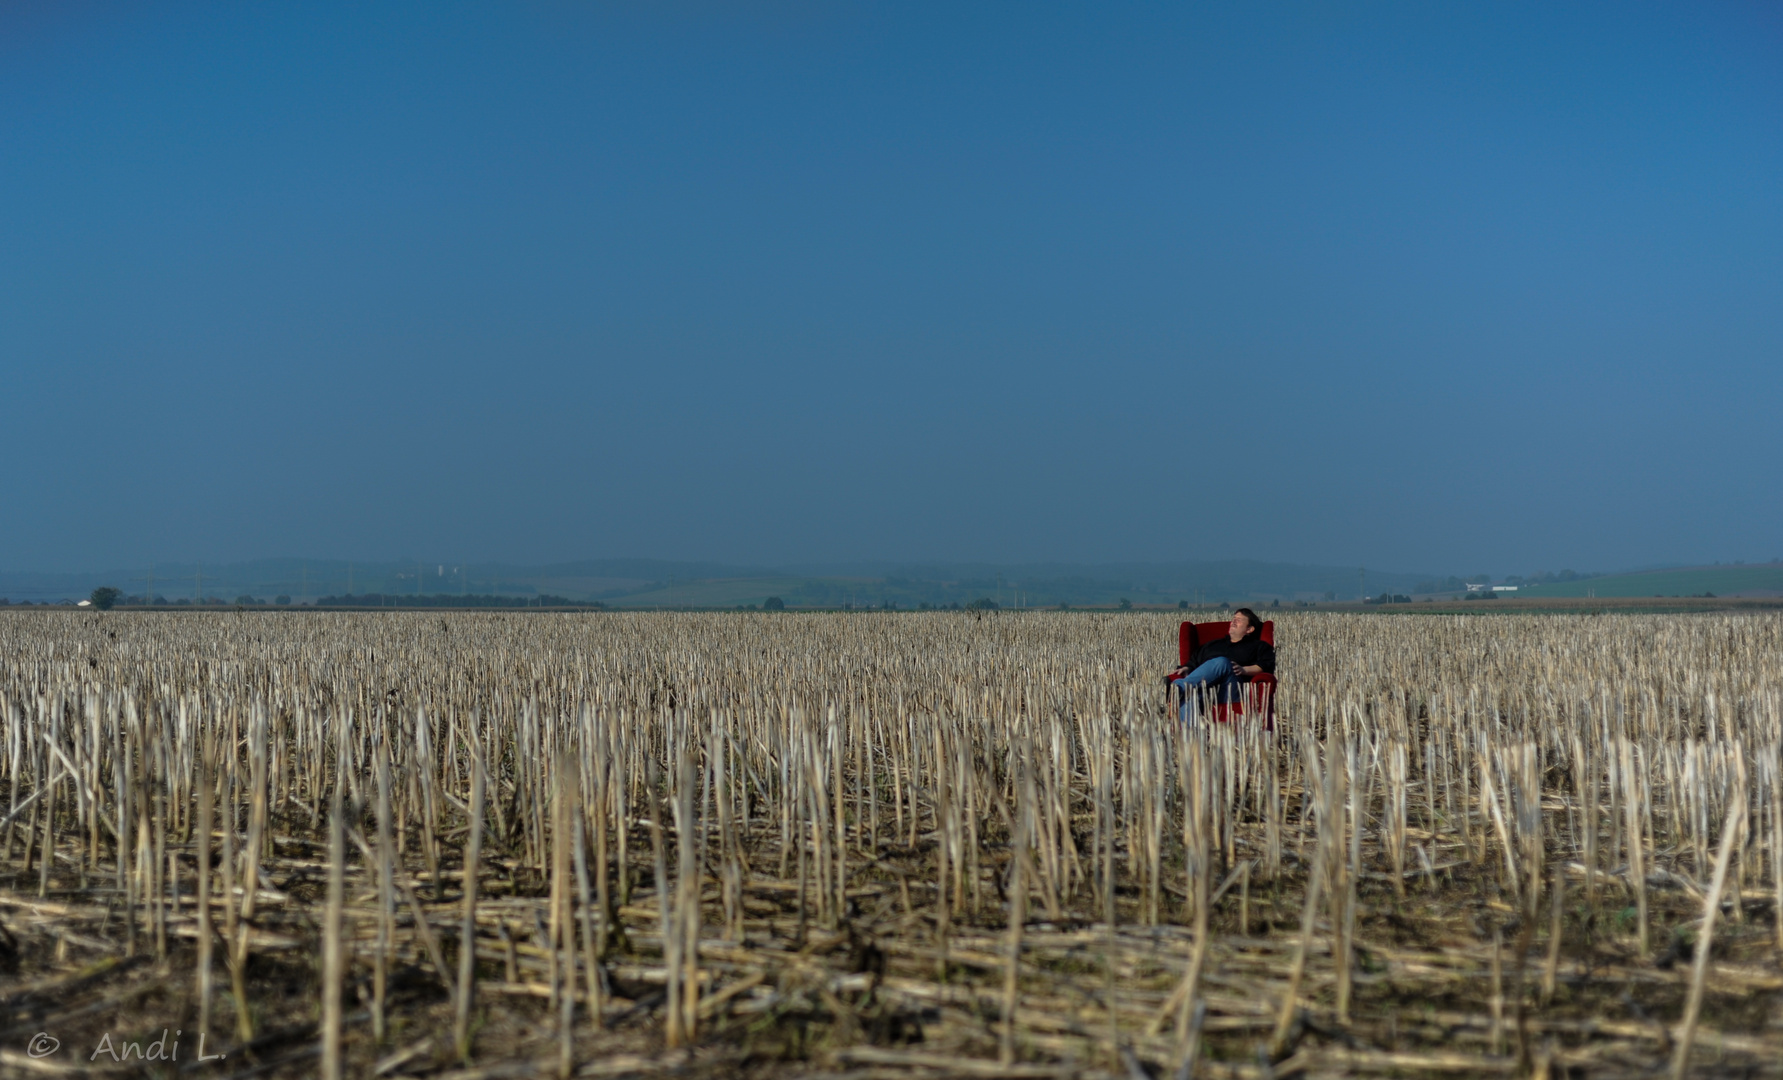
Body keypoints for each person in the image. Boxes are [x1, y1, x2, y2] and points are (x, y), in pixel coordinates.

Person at [1167, 608, 1275, 718]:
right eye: (1233, 618)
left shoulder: (1258, 646)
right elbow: (1193, 661)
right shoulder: (1212, 645)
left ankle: (1177, 687)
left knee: (1223, 662)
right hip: (1205, 689)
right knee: (1190, 696)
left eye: (1239, 620)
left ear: (1250, 629)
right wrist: (1187, 668)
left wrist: (1244, 670)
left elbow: (1266, 666)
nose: (1233, 621)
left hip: (1231, 689)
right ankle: (1188, 733)